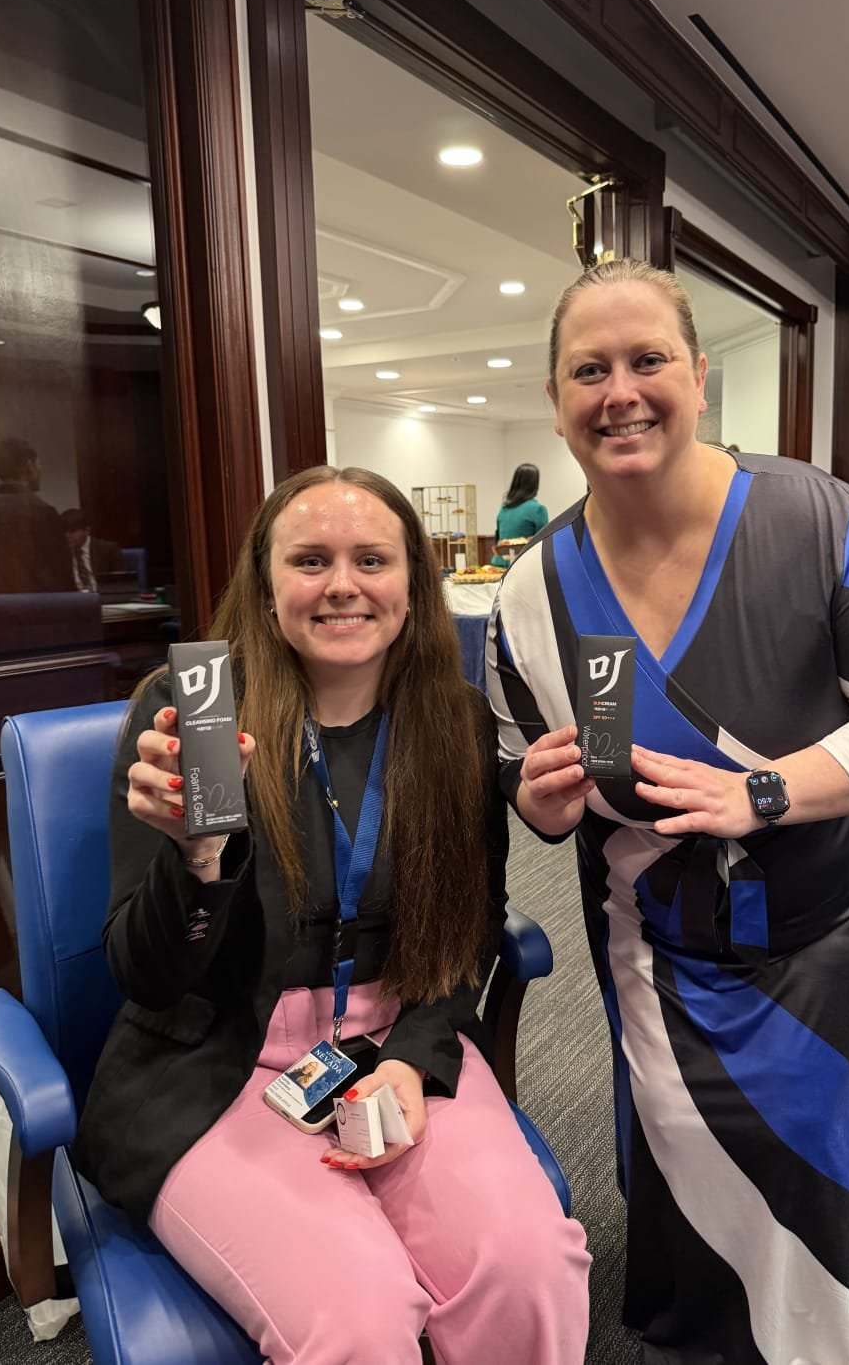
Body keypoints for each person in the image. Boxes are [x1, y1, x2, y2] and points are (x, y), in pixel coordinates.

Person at [487, 260, 849, 1365]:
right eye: (589, 370)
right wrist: (540, 803)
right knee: (677, 1118)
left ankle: (827, 1263)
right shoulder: (532, 591)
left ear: (698, 377)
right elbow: (529, 770)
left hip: (829, 897)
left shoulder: (820, 518)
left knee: (814, 1096)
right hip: (653, 916)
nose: (621, 392)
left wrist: (762, 793)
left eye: (647, 359)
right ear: (555, 401)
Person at [71, 465, 590, 1365]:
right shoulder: (192, 717)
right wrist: (197, 860)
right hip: (219, 1057)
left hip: (395, 1036)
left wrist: (414, 1056)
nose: (343, 584)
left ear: (413, 585)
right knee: (357, 1317)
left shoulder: (455, 722)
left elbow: (469, 924)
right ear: (266, 585)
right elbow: (148, 976)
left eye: (371, 560)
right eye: (310, 560)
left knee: (531, 1270)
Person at [0, 437, 72, 593]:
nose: (40, 470)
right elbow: (62, 578)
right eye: (39, 463)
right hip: (38, 605)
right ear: (29, 465)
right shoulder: (43, 512)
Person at [490, 463, 548, 566]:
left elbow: (499, 538)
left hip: (498, 564)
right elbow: (544, 543)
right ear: (535, 484)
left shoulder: (503, 509)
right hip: (521, 565)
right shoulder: (538, 509)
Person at [60, 507, 125, 592]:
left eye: (72, 531)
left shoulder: (108, 550)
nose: (67, 536)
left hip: (104, 595)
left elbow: (121, 585)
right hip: (75, 598)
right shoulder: (61, 554)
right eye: (64, 531)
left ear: (87, 530)